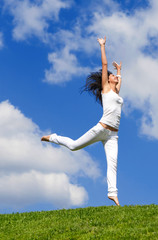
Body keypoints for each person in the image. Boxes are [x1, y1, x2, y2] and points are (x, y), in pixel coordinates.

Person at [41, 36, 123, 206]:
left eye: (116, 76)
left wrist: (120, 71)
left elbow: (120, 81)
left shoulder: (116, 93)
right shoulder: (106, 90)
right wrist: (102, 46)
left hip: (113, 136)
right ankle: (54, 137)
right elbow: (105, 66)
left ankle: (112, 194)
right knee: (74, 146)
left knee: (113, 164)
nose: (115, 76)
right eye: (113, 76)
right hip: (101, 129)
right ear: (107, 80)